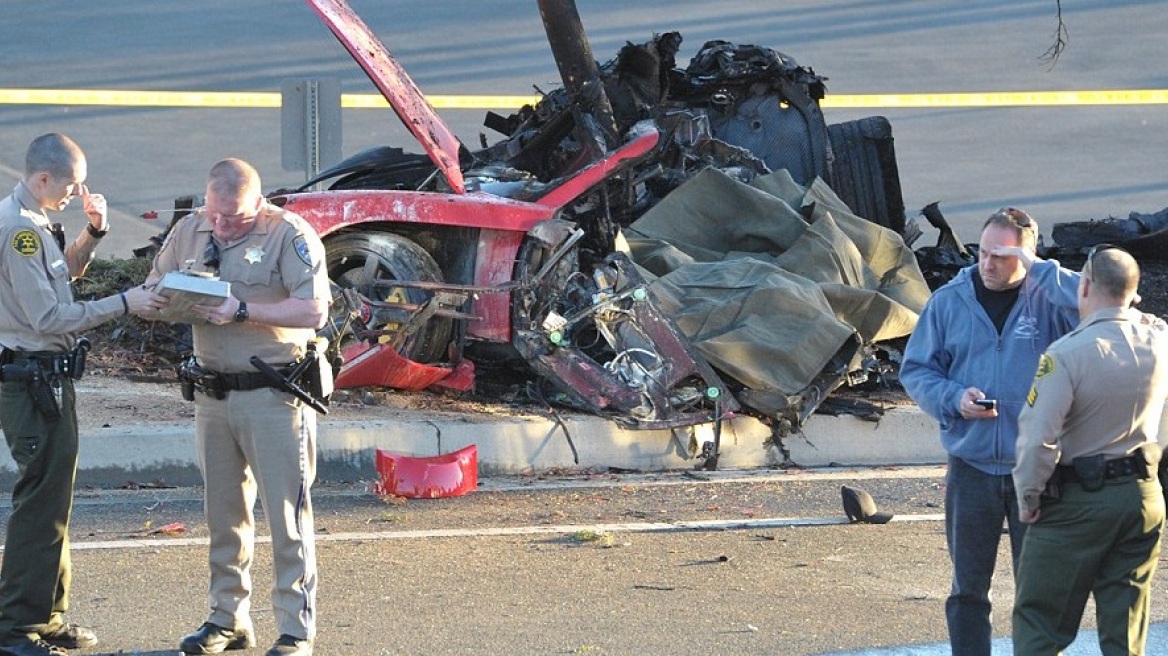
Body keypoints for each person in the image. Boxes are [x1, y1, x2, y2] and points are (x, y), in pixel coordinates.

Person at [140, 158, 330, 656]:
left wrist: (241, 310)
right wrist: (163, 300)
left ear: (259, 204)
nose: (222, 225)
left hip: (272, 394)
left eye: (235, 217)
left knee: (287, 517)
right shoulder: (190, 229)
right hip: (212, 394)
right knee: (224, 516)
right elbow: (152, 286)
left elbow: (314, 309)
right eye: (215, 214)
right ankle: (227, 618)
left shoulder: (288, 234)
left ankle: (295, 629)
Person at [0, 133, 165, 656]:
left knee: (54, 500)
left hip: (45, 380)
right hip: (30, 382)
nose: (79, 192)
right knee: (40, 505)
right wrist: (125, 302)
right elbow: (49, 317)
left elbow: (63, 275)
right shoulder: (20, 232)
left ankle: (47, 616)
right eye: (73, 184)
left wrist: (93, 231)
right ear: (43, 178)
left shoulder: (35, 220)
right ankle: (16, 627)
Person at [899, 207, 1081, 656]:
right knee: (967, 591)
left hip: (1036, 469)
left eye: (1002, 255)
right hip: (971, 469)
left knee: (1038, 593)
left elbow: (1106, 302)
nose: (988, 263)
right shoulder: (949, 301)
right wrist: (954, 399)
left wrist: (1042, 271)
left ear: (1028, 257)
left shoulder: (1050, 299)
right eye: (983, 252)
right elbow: (917, 370)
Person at [1012, 245, 1168, 655]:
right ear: (1133, 292)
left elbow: (1038, 439)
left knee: (1040, 625)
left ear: (1084, 287)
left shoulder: (1066, 354)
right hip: (1142, 496)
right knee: (1126, 629)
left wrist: (1029, 497)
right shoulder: (1159, 338)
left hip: (1078, 502)